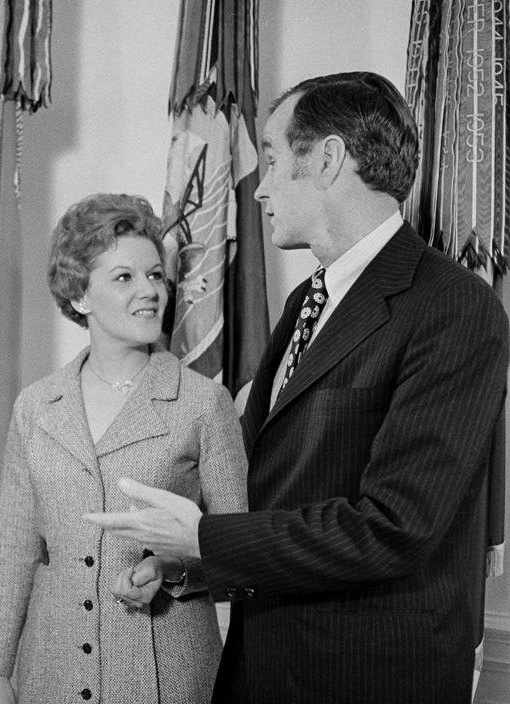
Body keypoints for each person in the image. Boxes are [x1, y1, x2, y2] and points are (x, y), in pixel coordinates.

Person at [86, 72, 510, 703]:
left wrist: (204, 537)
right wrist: (192, 565)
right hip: (268, 664)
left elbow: (396, 526)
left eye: (276, 159)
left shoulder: (452, 306)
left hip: (368, 680)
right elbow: (282, 488)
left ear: (330, 158)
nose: (258, 189)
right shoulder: (306, 300)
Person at [0, 193, 248, 704]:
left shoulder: (205, 404)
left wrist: (171, 570)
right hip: (48, 672)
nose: (149, 292)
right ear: (80, 296)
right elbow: (13, 552)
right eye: (124, 277)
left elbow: (241, 551)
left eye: (155, 276)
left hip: (166, 674)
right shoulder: (35, 406)